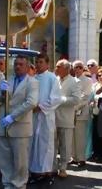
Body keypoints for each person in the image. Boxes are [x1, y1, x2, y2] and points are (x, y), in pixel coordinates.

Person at [0, 55, 39, 189]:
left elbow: (31, 102)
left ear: (27, 67)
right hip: (3, 126)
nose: (17, 66)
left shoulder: (32, 82)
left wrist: (13, 116)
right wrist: (1, 93)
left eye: (21, 64)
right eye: (16, 64)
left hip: (20, 126)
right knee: (5, 160)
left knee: (20, 161)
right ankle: (7, 184)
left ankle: (19, 185)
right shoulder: (8, 80)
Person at [28, 54, 62, 185]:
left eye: (41, 62)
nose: (38, 64)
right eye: (36, 62)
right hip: (34, 116)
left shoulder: (52, 78)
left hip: (46, 116)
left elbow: (56, 98)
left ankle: (47, 173)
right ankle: (36, 173)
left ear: (47, 64)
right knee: (34, 145)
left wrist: (40, 107)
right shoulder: (33, 78)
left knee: (46, 145)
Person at [54, 59, 81, 178]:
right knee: (52, 145)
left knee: (65, 145)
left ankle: (63, 168)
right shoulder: (54, 80)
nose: (55, 69)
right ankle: (53, 167)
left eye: (58, 66)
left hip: (66, 118)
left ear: (66, 69)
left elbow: (76, 99)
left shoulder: (74, 82)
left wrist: (60, 100)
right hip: (52, 118)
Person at [71, 60, 92, 167]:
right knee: (72, 137)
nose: (77, 69)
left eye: (79, 67)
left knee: (80, 136)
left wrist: (75, 107)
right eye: (75, 67)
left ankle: (82, 158)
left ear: (83, 68)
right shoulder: (72, 80)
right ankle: (74, 157)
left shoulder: (88, 81)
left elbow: (86, 97)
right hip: (71, 112)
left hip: (81, 111)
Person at [90, 68, 102, 161]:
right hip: (95, 111)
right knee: (95, 133)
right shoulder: (94, 85)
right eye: (99, 75)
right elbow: (91, 97)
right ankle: (96, 153)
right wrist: (91, 102)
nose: (101, 77)